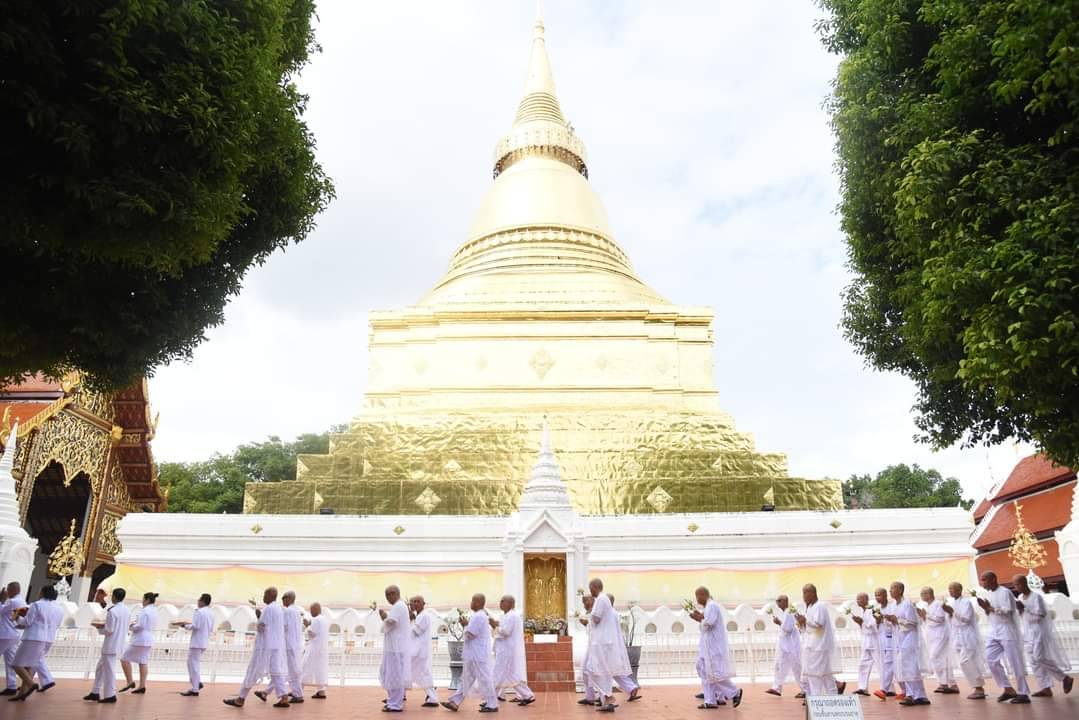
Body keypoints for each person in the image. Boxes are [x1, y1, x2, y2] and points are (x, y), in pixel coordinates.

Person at [223, 586, 289, 708]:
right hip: (276, 645)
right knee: (276, 671)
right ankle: (283, 696)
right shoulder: (279, 609)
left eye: (265, 594)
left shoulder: (268, 609)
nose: (263, 597)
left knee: (253, 670)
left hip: (265, 646)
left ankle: (241, 698)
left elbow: (261, 627)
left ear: (270, 595)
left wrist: (259, 617)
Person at [1013, 574, 1073, 697]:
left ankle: (1064, 678)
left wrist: (1024, 608)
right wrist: (1020, 609)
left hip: (1038, 631)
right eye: (1014, 585)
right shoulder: (1020, 597)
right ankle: (1045, 687)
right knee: (1033, 661)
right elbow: (1022, 615)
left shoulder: (1036, 597)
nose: (1016, 587)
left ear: (1024, 583)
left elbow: (1040, 615)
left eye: (1018, 584)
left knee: (1039, 657)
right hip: (1027, 632)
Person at [976, 571, 1030, 704]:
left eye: (984, 580)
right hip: (994, 630)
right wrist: (986, 608)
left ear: (993, 579)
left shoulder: (1005, 592)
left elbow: (1009, 611)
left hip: (1007, 629)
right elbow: (991, 613)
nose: (982, 583)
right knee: (990, 660)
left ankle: (1023, 693)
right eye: (981, 580)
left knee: (1015, 662)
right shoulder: (989, 594)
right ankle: (1007, 688)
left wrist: (991, 608)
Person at [441, 593, 497, 713]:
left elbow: (471, 634)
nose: (471, 603)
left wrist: (465, 625)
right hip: (474, 654)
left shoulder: (478, 616)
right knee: (466, 679)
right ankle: (455, 702)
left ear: (480, 603)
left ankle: (492, 704)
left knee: (485, 678)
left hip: (478, 654)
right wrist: (466, 625)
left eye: (473, 601)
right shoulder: (478, 615)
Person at [582, 578, 631, 713]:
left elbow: (596, 619)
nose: (589, 591)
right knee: (599, 671)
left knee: (593, 669)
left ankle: (607, 698)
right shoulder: (602, 600)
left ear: (594, 587)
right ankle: (606, 700)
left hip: (602, 643)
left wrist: (589, 618)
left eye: (590, 587)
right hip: (601, 642)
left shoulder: (602, 599)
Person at [7, 584, 63, 702]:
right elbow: (57, 624)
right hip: (48, 639)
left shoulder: (37, 605)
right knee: (28, 666)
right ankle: (22, 693)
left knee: (16, 664)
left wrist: (16, 617)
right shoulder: (59, 608)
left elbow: (27, 622)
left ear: (42, 592)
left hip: (33, 638)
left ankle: (31, 684)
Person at [690, 586, 741, 709]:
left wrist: (699, 619)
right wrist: (701, 617)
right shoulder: (708, 607)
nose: (696, 600)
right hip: (706, 648)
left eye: (697, 596)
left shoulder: (712, 606)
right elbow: (706, 621)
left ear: (703, 595)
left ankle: (734, 692)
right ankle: (710, 700)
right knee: (703, 669)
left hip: (714, 647)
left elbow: (709, 623)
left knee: (715, 674)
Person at [884, 581, 929, 707]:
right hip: (899, 637)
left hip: (910, 637)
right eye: (890, 589)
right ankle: (916, 695)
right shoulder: (893, 605)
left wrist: (896, 620)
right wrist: (890, 620)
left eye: (893, 588)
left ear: (900, 590)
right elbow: (894, 623)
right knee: (903, 666)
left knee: (910, 666)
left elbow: (912, 622)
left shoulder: (907, 604)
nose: (890, 591)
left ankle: (915, 695)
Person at [941, 582, 987, 700]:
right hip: (957, 635)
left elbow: (966, 619)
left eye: (953, 589)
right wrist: (948, 613)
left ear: (960, 590)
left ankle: (979, 688)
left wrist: (952, 612)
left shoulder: (966, 602)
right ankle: (977, 688)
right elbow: (951, 619)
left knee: (966, 660)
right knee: (964, 661)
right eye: (949, 588)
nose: (950, 591)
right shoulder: (952, 602)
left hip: (967, 634)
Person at [86, 587, 131, 704]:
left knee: (109, 671)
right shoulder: (127, 610)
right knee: (100, 668)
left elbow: (109, 630)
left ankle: (110, 695)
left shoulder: (113, 611)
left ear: (114, 597)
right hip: (119, 643)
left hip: (111, 644)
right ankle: (95, 692)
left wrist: (99, 628)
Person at [795, 583, 841, 698]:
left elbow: (819, 624)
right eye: (803, 593)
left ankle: (816, 699)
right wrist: (801, 623)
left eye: (806, 593)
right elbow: (807, 629)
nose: (804, 596)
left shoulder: (820, 606)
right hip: (811, 646)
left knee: (816, 675)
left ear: (813, 593)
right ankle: (831, 697)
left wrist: (805, 620)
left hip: (819, 647)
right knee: (825, 675)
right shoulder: (810, 607)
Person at [490, 595, 535, 705]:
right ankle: (525, 695)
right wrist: (495, 626)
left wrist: (494, 626)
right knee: (505, 674)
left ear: (510, 604)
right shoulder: (505, 615)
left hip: (509, 650)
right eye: (501, 601)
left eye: (503, 601)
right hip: (504, 649)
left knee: (502, 674)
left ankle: (491, 699)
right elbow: (499, 631)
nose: (500, 603)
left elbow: (505, 632)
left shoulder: (513, 616)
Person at [171, 593, 214, 697]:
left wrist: (184, 625)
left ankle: (195, 688)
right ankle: (197, 683)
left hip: (196, 642)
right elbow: (211, 628)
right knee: (194, 663)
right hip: (204, 641)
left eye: (199, 600)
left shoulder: (199, 612)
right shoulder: (211, 613)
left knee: (193, 665)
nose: (198, 602)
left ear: (202, 601)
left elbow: (195, 626)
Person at [379, 585, 411, 713]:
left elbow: (391, 622)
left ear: (394, 594)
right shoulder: (400, 606)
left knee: (394, 675)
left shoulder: (398, 606)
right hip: (395, 647)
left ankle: (395, 704)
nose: (387, 598)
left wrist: (384, 618)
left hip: (395, 648)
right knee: (391, 674)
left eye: (388, 595)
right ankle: (393, 701)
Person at [919, 587, 957, 694]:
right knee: (940, 658)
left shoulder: (938, 604)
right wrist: (922, 616)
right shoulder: (925, 606)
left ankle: (946, 683)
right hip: (931, 634)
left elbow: (940, 618)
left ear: (930, 594)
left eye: (924, 593)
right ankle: (946, 683)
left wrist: (926, 615)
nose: (922, 595)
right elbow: (926, 621)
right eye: (921, 593)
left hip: (940, 633)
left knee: (935, 656)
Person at [120, 591, 159, 694]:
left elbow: (140, 625)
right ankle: (142, 685)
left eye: (143, 599)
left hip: (140, 639)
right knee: (143, 662)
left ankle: (130, 681)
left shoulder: (145, 610)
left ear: (146, 600)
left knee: (124, 658)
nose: (142, 601)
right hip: (149, 638)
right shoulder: (154, 610)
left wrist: (131, 627)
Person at [605, 594, 642, 703]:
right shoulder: (613, 613)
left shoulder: (609, 614)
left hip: (609, 645)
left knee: (606, 671)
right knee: (614, 671)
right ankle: (631, 688)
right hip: (613, 645)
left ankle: (605, 695)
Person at [766, 594, 803, 697]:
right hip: (784, 645)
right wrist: (780, 623)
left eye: (779, 601)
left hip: (790, 646)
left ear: (784, 601)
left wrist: (779, 623)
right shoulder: (786, 612)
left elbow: (788, 629)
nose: (777, 603)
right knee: (779, 665)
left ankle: (805, 689)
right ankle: (777, 688)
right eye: (777, 601)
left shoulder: (789, 612)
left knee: (797, 668)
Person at [272, 591, 304, 703]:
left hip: (288, 644)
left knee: (290, 669)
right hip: (295, 644)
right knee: (291, 669)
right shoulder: (297, 610)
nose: (282, 600)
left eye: (284, 597)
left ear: (289, 598)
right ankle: (296, 693)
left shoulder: (288, 611)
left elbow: (283, 626)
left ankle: (298, 694)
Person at [408, 596, 438, 707]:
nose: (415, 603)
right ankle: (399, 696)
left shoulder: (424, 616)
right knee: (419, 673)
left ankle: (433, 697)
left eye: (417, 601)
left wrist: (411, 619)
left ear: (423, 603)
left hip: (419, 651)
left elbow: (415, 631)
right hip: (417, 650)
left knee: (418, 673)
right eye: (413, 601)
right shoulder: (419, 616)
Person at [850, 592, 880, 696]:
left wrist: (862, 622)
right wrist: (859, 623)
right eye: (857, 599)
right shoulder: (862, 611)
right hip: (866, 642)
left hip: (875, 641)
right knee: (862, 665)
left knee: (881, 665)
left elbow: (874, 624)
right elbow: (864, 626)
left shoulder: (871, 609)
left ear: (866, 599)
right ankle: (863, 688)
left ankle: (889, 688)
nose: (858, 601)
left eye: (860, 599)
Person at [0, 581, 27, 696]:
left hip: (5, 634)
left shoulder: (12, 601)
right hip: (14, 633)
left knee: (11, 661)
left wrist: (1, 600)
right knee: (11, 661)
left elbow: (1, 611)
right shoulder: (21, 600)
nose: (7, 592)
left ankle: (11, 686)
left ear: (14, 590)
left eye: (9, 590)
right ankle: (11, 686)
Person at [872, 587, 898, 700]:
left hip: (893, 639)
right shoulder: (877, 609)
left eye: (880, 595)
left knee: (890, 664)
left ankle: (884, 689)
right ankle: (904, 690)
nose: (878, 597)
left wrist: (885, 618)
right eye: (876, 595)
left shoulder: (892, 607)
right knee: (888, 665)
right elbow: (877, 625)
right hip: (882, 640)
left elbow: (895, 622)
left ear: (886, 595)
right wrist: (877, 620)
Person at [302, 602, 330, 700]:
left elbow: (312, 633)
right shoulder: (324, 619)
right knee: (319, 669)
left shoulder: (317, 619)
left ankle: (297, 691)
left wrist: (307, 626)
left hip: (314, 648)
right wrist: (310, 624)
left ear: (316, 609)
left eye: (311, 610)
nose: (310, 612)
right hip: (322, 648)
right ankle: (321, 691)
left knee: (304, 666)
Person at [578, 594, 598, 707]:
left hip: (597, 646)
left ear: (591, 600)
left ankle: (603, 696)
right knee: (585, 670)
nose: (583, 604)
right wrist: (586, 624)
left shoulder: (596, 611)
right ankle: (590, 696)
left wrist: (587, 623)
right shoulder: (590, 612)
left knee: (595, 671)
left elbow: (598, 627)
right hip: (591, 645)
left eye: (585, 601)